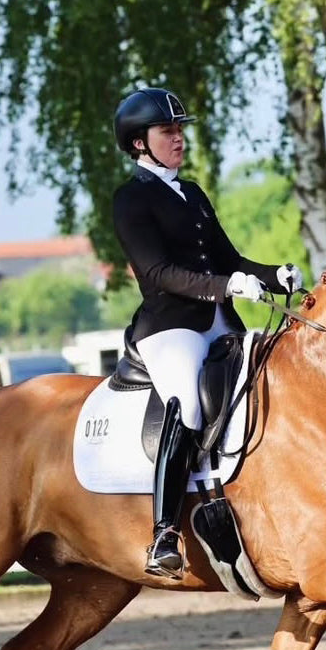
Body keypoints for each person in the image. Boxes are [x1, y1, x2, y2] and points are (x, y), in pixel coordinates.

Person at [111, 87, 302, 579]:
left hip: (220, 322)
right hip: (170, 327)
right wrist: (225, 286)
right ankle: (164, 534)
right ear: (139, 144)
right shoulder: (131, 199)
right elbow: (156, 273)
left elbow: (229, 259)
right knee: (188, 403)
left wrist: (269, 275)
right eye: (167, 132)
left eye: (180, 131)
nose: (179, 140)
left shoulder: (191, 193)